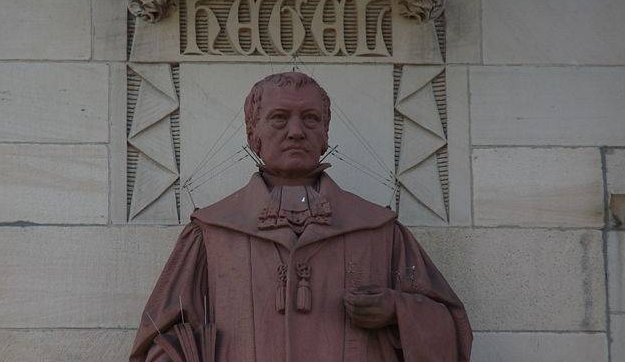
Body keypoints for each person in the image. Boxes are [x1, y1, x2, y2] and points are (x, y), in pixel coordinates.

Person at [130, 72, 472, 361]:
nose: (296, 131)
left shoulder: (379, 230)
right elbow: (159, 340)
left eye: (311, 119)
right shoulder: (211, 232)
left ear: (325, 134)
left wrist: (399, 311)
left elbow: (454, 332)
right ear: (253, 134)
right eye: (279, 118)